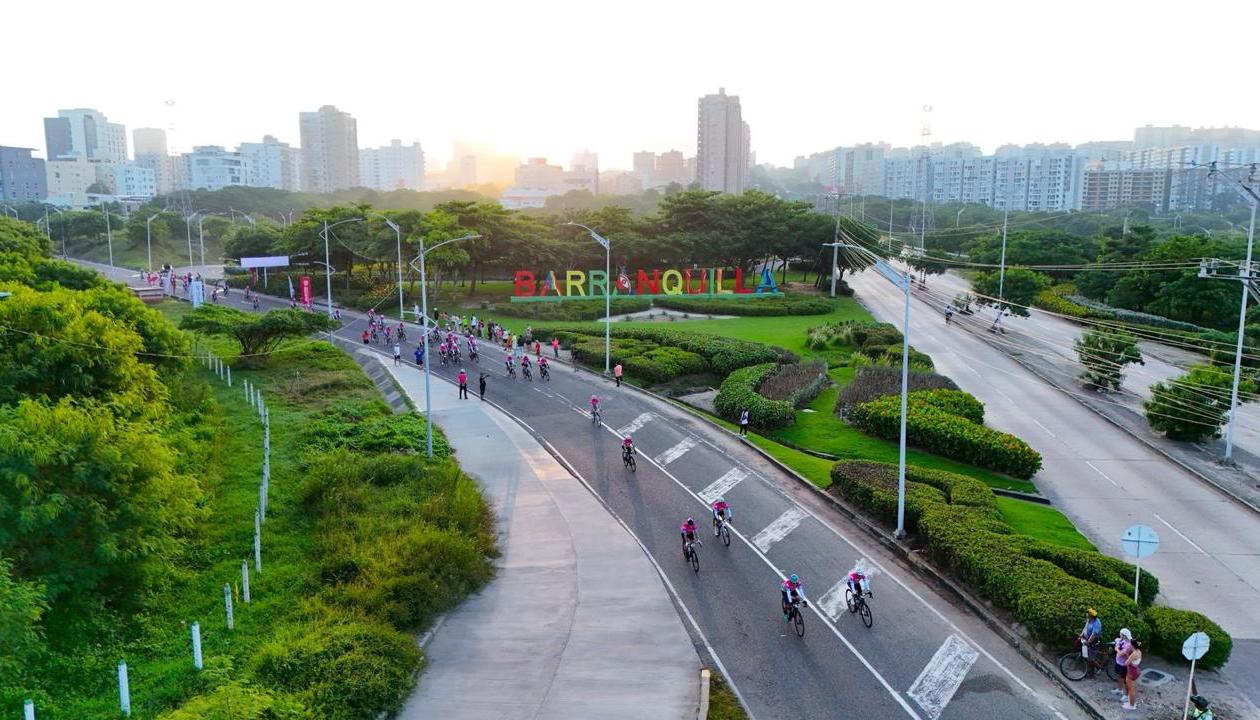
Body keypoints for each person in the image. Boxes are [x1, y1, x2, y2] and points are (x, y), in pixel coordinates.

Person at [1080, 608, 1103, 675]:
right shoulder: (1088, 620)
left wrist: (1088, 642)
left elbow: (1094, 634)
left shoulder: (1097, 622)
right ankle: (1089, 671)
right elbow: (1085, 628)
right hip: (1087, 640)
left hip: (1093, 642)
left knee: (1090, 658)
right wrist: (1081, 635)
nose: (1086, 614)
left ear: (1090, 615)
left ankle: (1099, 668)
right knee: (1086, 656)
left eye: (1087, 613)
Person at [1111, 628, 1132, 698]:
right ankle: (1119, 689)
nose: (1119, 635)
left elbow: (1121, 653)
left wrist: (1116, 648)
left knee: (1125, 680)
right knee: (1119, 677)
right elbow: (1116, 640)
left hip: (1124, 664)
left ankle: (1126, 695)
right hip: (1118, 662)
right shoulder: (1121, 640)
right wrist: (1117, 645)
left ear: (1124, 635)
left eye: (1121, 634)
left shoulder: (1128, 644)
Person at [1122, 639, 1142, 710]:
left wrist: (1127, 654)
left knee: (1131, 689)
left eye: (1130, 644)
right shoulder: (1139, 651)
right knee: (1133, 688)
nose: (1129, 645)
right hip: (1136, 671)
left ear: (1132, 645)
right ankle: (1131, 702)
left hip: (1131, 673)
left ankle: (1131, 705)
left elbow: (1126, 663)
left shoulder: (1134, 654)